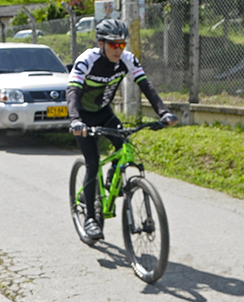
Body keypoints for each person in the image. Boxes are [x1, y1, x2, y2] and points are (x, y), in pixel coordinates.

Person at [67, 18, 177, 240]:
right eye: (113, 44)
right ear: (101, 43)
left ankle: (112, 177)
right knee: (92, 162)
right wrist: (76, 120)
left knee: (124, 145)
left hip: (104, 113)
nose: (118, 49)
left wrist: (163, 112)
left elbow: (147, 86)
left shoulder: (127, 59)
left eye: (122, 44)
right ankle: (89, 218)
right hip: (83, 116)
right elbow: (72, 90)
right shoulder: (87, 59)